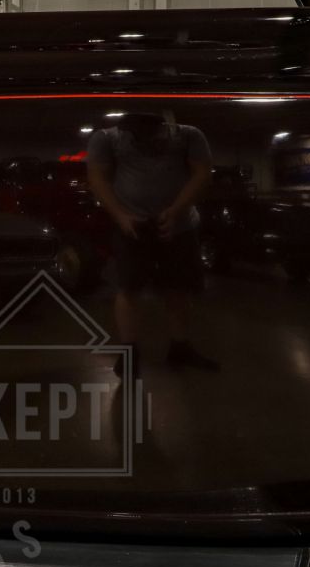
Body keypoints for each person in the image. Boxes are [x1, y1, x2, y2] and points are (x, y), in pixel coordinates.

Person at [87, 111, 219, 377]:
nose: (141, 136)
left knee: (178, 287)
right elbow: (97, 178)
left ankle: (180, 347)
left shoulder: (188, 136)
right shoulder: (107, 139)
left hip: (180, 226)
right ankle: (129, 352)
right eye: (134, 131)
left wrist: (176, 211)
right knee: (128, 288)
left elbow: (202, 173)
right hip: (131, 225)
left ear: (163, 125)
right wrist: (120, 216)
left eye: (148, 131)